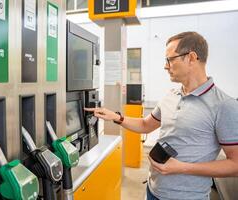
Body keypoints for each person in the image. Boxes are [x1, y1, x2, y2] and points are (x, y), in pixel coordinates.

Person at [85, 32, 238, 200]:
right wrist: (116, 117)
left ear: (192, 58)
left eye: (170, 59)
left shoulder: (224, 105)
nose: (166, 66)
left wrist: (182, 167)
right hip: (153, 190)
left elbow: (235, 164)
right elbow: (145, 125)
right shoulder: (170, 95)